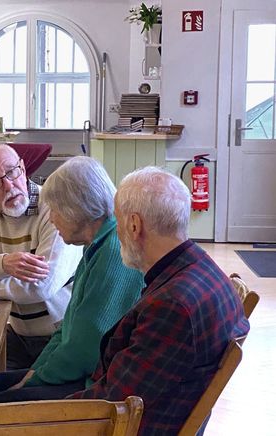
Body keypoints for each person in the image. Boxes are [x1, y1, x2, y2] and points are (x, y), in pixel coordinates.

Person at [69, 167, 250, 435]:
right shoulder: (203, 267)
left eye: (117, 222)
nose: (117, 232)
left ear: (133, 225)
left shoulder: (174, 306)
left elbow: (111, 404)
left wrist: (42, 412)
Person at [0, 156, 142, 403]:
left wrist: (35, 380)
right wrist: (35, 372)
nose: (51, 219)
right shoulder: (96, 244)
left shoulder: (115, 251)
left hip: (99, 385)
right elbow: (67, 329)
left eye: (55, 211)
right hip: (84, 371)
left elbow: (85, 349)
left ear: (77, 208)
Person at [0, 144, 82, 370]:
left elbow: (42, 287)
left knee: (15, 396)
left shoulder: (54, 209)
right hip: (16, 332)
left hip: (60, 336)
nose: (8, 185)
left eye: (12, 172)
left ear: (23, 167)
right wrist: (3, 264)